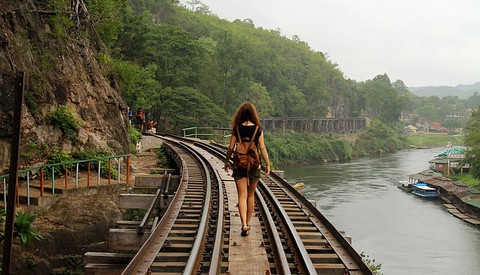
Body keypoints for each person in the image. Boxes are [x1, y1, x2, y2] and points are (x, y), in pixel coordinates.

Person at [224, 102, 270, 236]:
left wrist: (227, 162)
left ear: (240, 114)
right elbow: (262, 148)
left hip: (239, 165)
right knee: (251, 195)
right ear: (253, 114)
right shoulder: (258, 129)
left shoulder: (237, 129)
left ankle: (243, 223)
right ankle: (248, 223)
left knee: (241, 196)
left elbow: (231, 147)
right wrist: (267, 164)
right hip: (254, 166)